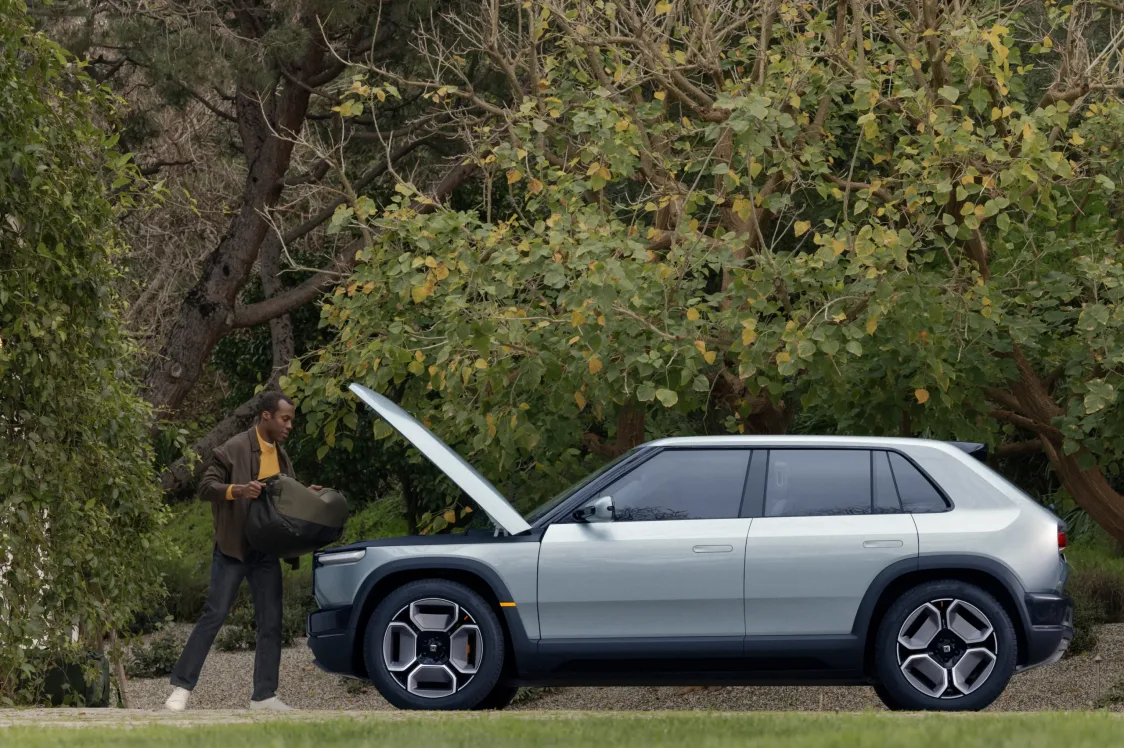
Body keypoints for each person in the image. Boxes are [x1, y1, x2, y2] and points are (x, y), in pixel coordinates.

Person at [164, 392, 320, 712]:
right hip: (234, 548)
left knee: (271, 622)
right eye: (285, 419)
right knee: (215, 614)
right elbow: (206, 488)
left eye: (291, 419)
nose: (290, 425)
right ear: (266, 416)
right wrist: (239, 490)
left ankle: (264, 696)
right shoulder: (232, 449)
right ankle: (180, 689)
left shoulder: (281, 455)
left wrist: (305, 493)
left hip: (265, 549)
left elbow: (282, 493)